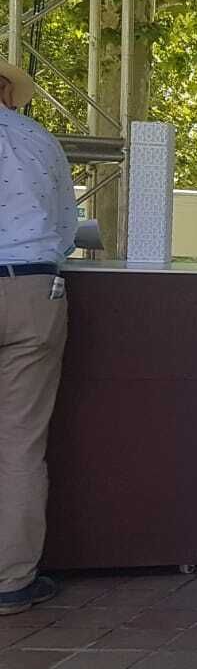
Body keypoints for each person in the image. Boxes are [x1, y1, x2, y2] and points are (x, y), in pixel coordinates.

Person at [0, 58, 76, 616]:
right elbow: (67, 230)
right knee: (20, 445)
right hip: (32, 292)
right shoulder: (39, 140)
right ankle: (12, 581)